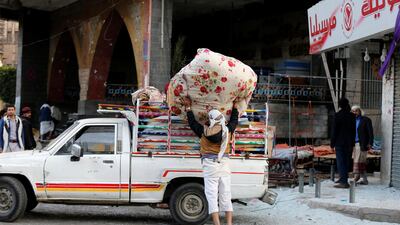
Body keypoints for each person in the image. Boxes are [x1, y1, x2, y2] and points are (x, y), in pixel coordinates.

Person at [183, 96, 238, 225]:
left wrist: (189, 108)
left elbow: (192, 123)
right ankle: (229, 224)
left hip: (210, 167)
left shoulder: (204, 131)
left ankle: (217, 224)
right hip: (224, 165)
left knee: (212, 196)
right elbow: (234, 120)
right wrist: (234, 106)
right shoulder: (228, 130)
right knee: (226, 195)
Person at [331, 98, 356, 188]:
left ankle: (344, 182)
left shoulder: (337, 115)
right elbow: (354, 131)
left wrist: (332, 144)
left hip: (339, 143)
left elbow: (334, 131)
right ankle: (343, 178)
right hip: (349, 143)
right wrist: (352, 143)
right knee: (346, 161)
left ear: (340, 105)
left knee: (341, 162)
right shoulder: (352, 116)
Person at [351, 105, 374, 185]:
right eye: (353, 111)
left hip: (362, 144)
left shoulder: (366, 120)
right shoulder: (352, 120)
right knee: (359, 162)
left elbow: (370, 133)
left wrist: (370, 143)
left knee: (359, 161)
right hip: (354, 144)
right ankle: (365, 180)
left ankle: (356, 178)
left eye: (356, 111)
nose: (354, 112)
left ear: (360, 111)